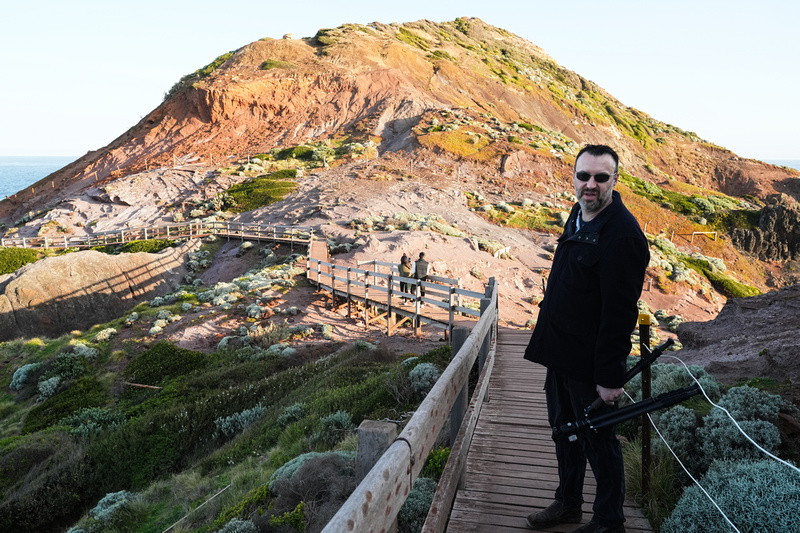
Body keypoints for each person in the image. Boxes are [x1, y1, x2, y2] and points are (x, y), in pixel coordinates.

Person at [523, 145, 649, 533]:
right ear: (574, 176)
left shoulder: (623, 234)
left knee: (599, 441)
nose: (590, 184)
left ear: (615, 180)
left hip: (591, 363)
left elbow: (619, 314)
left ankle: (610, 521)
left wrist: (610, 379)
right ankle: (568, 504)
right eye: (583, 176)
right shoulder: (578, 214)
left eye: (600, 177)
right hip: (561, 352)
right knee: (564, 432)